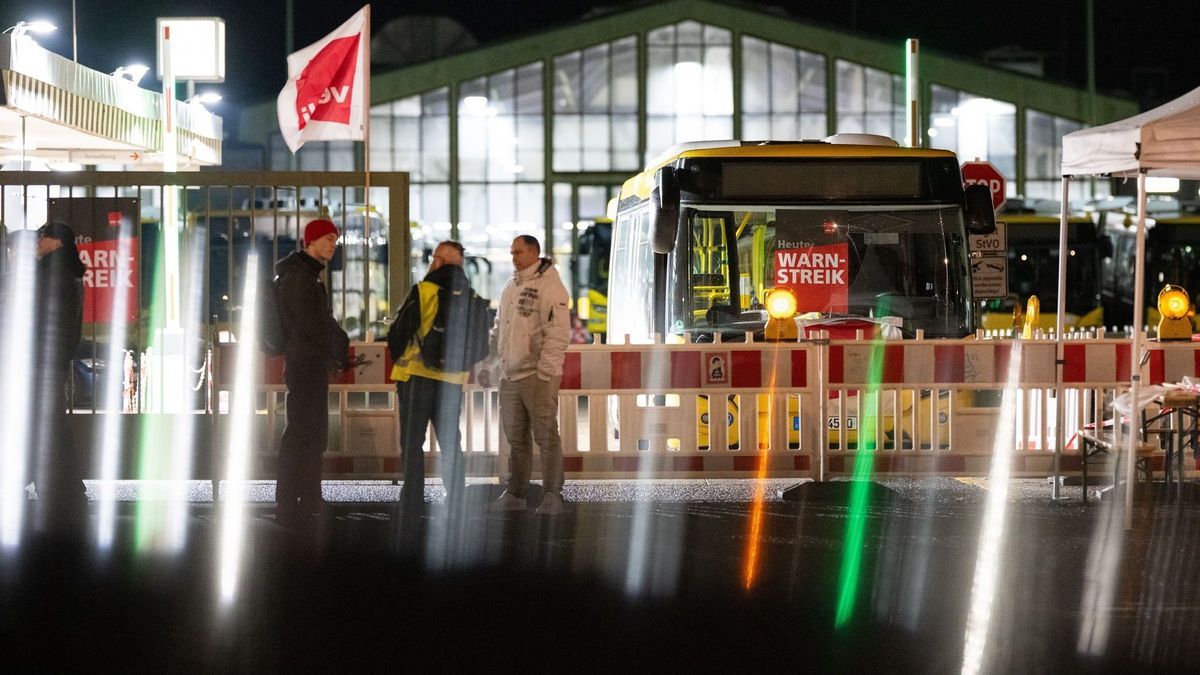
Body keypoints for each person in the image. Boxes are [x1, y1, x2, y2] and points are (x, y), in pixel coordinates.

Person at [484, 235, 571, 516]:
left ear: (534, 252)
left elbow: (558, 332)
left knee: (545, 437)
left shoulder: (549, 285)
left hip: (535, 375)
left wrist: (545, 370)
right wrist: (494, 363)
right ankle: (517, 493)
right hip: (511, 375)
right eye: (512, 252)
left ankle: (552, 495)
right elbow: (500, 328)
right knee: (517, 439)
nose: (514, 257)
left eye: (518, 252)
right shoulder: (512, 285)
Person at [274, 218, 350, 529]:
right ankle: (292, 498)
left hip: (311, 361)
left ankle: (307, 495)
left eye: (335, 240)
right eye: (328, 239)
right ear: (312, 241)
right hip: (305, 363)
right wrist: (334, 345)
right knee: (303, 431)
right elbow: (310, 323)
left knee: (311, 431)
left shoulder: (308, 276)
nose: (334, 245)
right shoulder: (298, 277)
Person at [387, 240, 471, 513]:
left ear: (437, 262)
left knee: (412, 442)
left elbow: (398, 335)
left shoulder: (424, 290)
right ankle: (457, 497)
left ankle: (412, 500)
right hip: (452, 380)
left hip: (417, 377)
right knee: (450, 441)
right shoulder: (468, 296)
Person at [30, 221, 88, 529]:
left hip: (42, 360)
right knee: (53, 423)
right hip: (57, 360)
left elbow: (36, 318)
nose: (38, 241)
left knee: (48, 425)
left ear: (58, 243)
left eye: (44, 236)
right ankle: (64, 485)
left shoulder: (51, 275)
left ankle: (58, 486)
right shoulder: (72, 275)